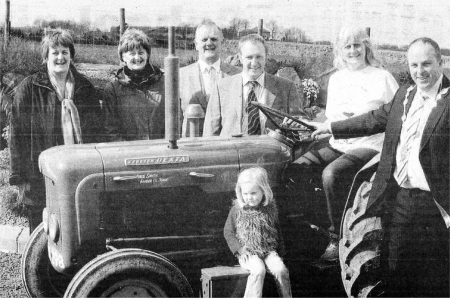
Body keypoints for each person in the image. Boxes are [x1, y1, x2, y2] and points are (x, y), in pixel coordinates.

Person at [311, 37, 449, 297]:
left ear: (441, 63)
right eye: (414, 65)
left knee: (437, 276)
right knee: (395, 270)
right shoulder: (405, 95)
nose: (420, 72)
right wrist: (331, 127)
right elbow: (374, 119)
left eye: (427, 64)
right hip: (403, 198)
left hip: (437, 203)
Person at [287, 26, 399, 261]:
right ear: (340, 50)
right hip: (339, 142)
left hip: (370, 145)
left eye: (357, 44)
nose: (352, 50)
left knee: (332, 175)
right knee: (296, 167)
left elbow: (395, 116)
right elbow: (333, 119)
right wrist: (310, 126)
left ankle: (335, 238)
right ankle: (312, 226)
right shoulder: (336, 79)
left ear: (366, 47)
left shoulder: (383, 77)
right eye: (347, 46)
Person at [9, 30, 103, 233]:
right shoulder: (29, 88)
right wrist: (20, 177)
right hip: (40, 176)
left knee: (75, 232)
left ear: (71, 55)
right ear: (45, 57)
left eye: (65, 52)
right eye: (55, 52)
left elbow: (97, 133)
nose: (60, 57)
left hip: (78, 173)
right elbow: (17, 135)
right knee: (43, 234)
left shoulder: (85, 89)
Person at [203, 34, 301, 136]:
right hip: (232, 151)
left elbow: (301, 127)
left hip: (271, 151)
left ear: (266, 57)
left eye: (259, 57)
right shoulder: (221, 88)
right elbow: (209, 135)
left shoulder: (286, 88)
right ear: (240, 58)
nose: (254, 63)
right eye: (249, 57)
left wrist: (291, 128)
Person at [224, 167, 292, 298]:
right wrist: (240, 249)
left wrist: (281, 253)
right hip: (248, 252)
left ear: (264, 190)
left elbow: (278, 232)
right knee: (258, 270)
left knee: (281, 270)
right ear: (240, 193)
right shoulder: (237, 210)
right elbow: (228, 232)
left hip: (268, 251)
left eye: (253, 193)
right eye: (245, 194)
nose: (249, 197)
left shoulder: (270, 209)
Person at [179, 19, 241, 137]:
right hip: (190, 146)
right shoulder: (180, 76)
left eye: (214, 39)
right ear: (196, 44)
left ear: (222, 42)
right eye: (204, 39)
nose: (209, 43)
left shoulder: (237, 75)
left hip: (225, 147)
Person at [103, 28, 165, 141]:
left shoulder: (164, 84)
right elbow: (111, 130)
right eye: (132, 53)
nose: (137, 58)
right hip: (128, 154)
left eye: (141, 52)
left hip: (160, 151)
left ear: (147, 55)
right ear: (123, 57)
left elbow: (174, 121)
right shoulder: (113, 89)